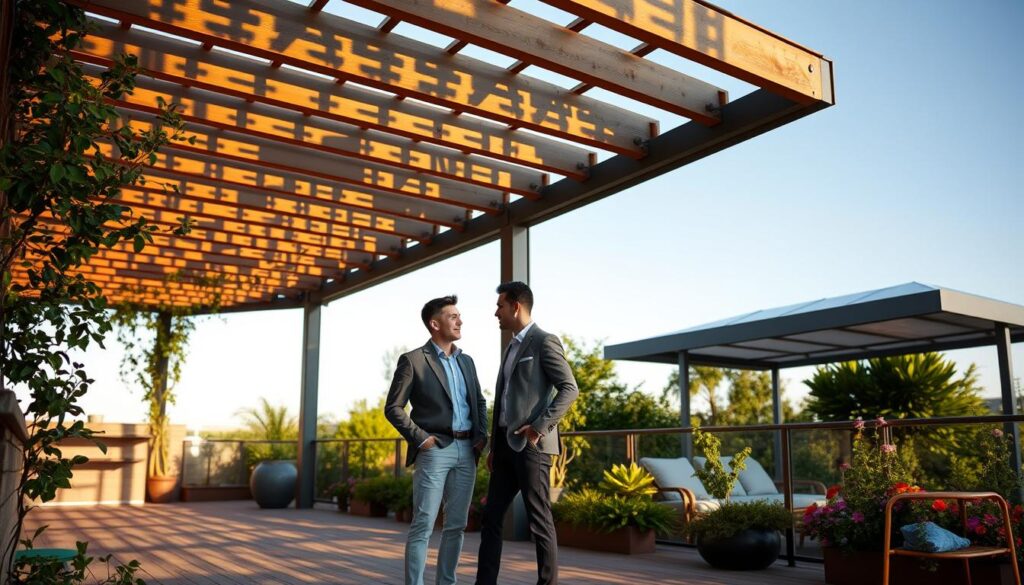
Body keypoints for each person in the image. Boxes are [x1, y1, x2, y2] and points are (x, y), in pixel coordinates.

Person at [475, 281, 579, 585]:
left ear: (516, 306)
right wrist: (495, 446)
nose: (496, 312)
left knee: (539, 521)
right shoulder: (511, 347)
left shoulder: (544, 342)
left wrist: (539, 427)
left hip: (533, 447)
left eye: (500, 306)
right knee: (491, 518)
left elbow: (569, 389)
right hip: (505, 447)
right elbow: (505, 396)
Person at [385, 295, 488, 585]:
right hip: (435, 450)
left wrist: (482, 438)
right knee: (423, 524)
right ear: (435, 323)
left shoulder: (467, 361)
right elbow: (393, 408)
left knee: (456, 525)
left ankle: (447, 582)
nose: (460, 320)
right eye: (453, 316)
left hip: (467, 450)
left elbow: (478, 402)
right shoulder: (414, 360)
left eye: (459, 315)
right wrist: (421, 439)